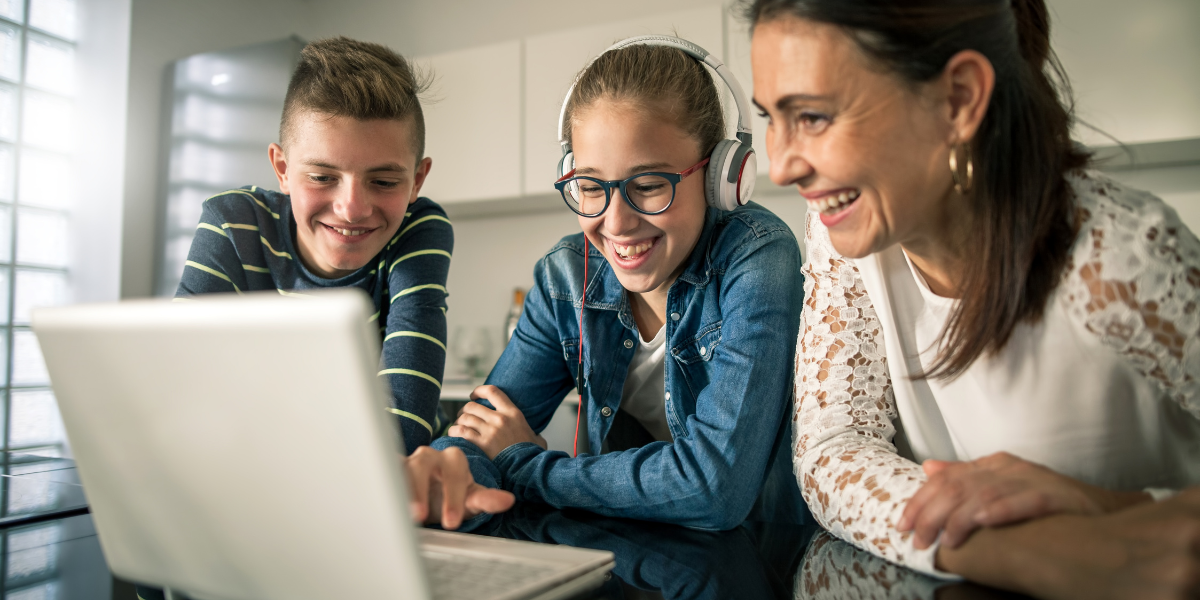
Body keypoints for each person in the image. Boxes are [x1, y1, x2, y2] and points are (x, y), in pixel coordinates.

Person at [746, 0, 1200, 596]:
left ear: (957, 99)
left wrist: (1112, 507)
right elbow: (832, 447)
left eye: (813, 117)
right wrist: (1038, 551)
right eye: (770, 119)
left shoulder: (1119, 254)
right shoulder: (845, 234)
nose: (780, 166)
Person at [422, 38, 807, 531]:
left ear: (721, 177)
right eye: (589, 187)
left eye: (648, 185)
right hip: (630, 556)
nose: (616, 223)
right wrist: (449, 472)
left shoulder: (757, 256)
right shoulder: (565, 276)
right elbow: (477, 434)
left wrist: (523, 465)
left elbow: (716, 489)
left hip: (756, 559)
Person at [176, 37, 454, 455]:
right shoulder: (232, 223)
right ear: (282, 169)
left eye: (383, 181)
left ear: (416, 180)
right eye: (322, 177)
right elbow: (182, 382)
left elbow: (404, 421)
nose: (352, 209)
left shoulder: (419, 229)